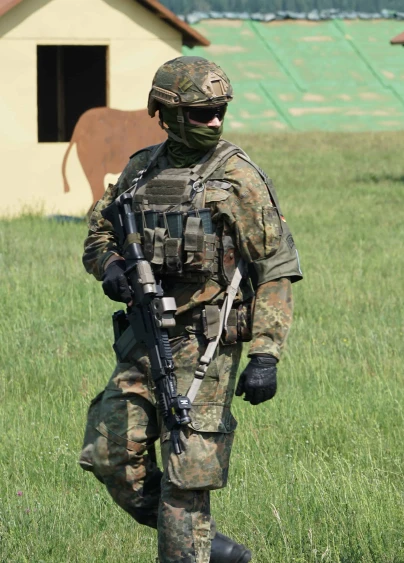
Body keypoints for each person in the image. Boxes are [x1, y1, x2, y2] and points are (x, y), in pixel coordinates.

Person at [79, 56, 303, 563]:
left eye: (221, 110)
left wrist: (265, 354)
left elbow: (275, 266)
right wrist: (110, 266)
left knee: (186, 480)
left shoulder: (238, 177)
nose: (215, 120)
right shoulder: (141, 169)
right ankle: (206, 543)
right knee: (110, 454)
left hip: (206, 346)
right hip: (142, 339)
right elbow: (99, 233)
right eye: (203, 112)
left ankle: (190, 540)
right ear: (167, 113)